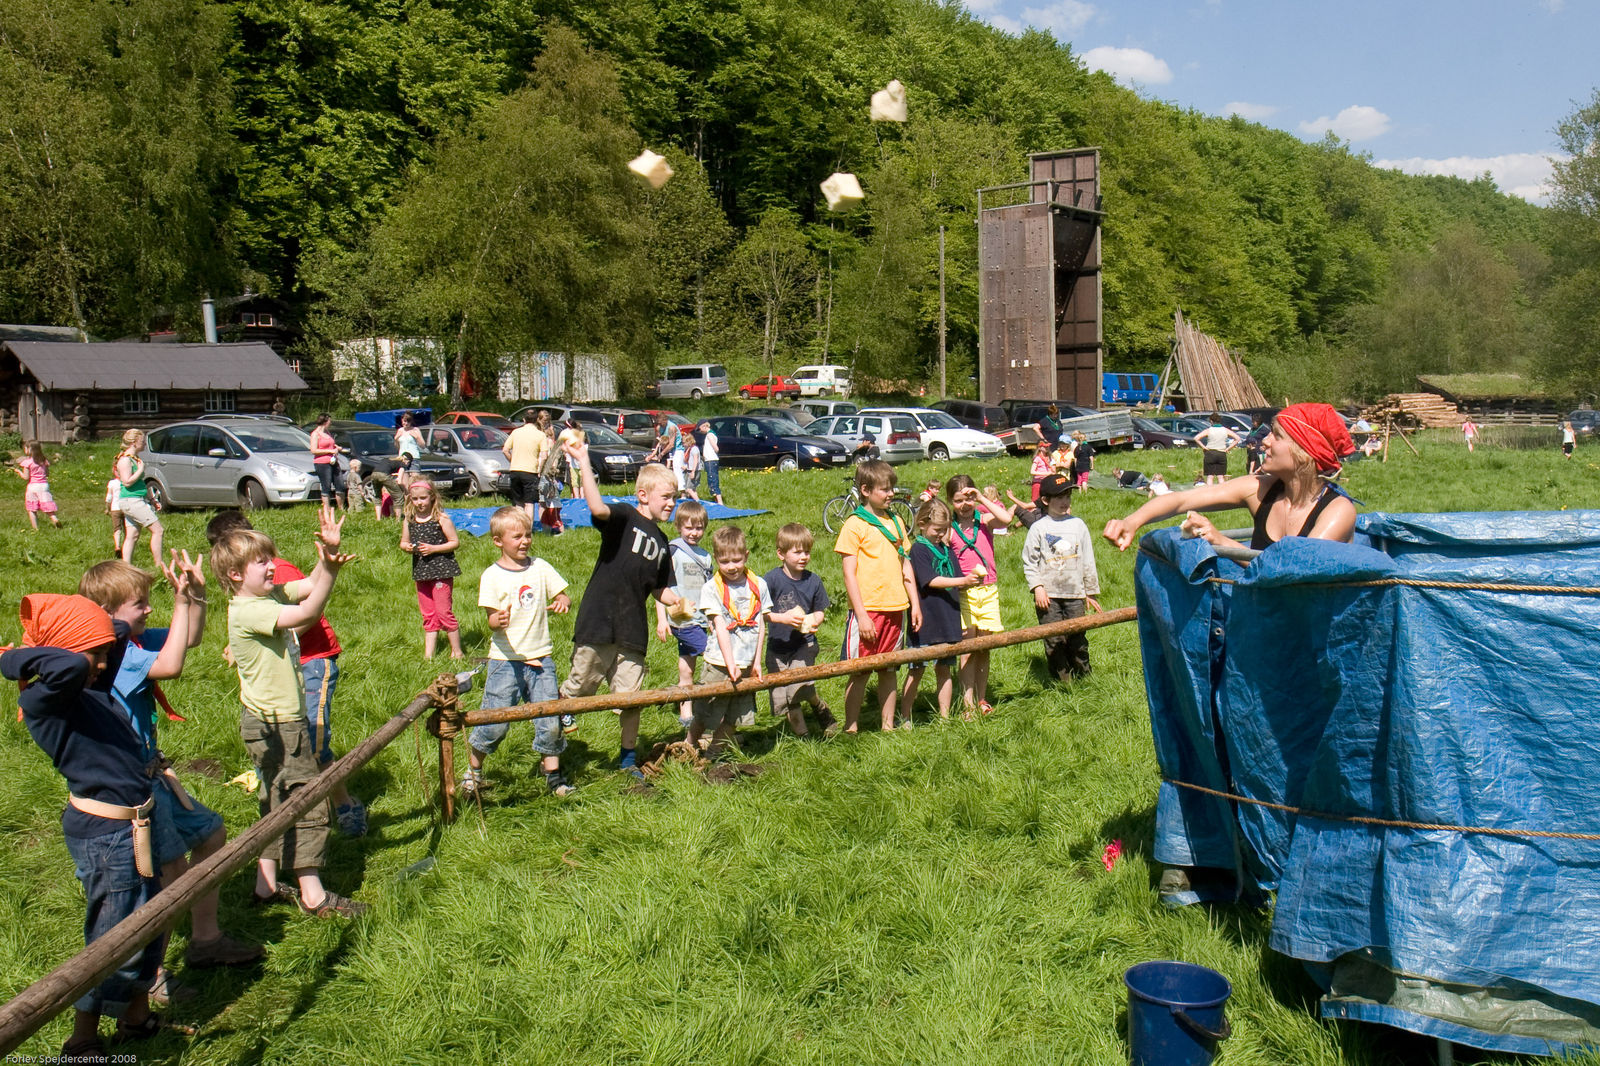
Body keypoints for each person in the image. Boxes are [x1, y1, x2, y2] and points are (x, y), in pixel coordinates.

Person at [78, 559, 263, 1006]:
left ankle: (205, 940)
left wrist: (195, 596)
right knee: (167, 876)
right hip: (131, 786)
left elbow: (190, 638)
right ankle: (152, 974)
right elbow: (172, 665)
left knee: (210, 833)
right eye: (139, 603)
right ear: (107, 612)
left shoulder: (136, 640)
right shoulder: (113, 655)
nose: (148, 609)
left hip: (152, 773)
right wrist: (180, 603)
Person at [2, 595, 166, 1057]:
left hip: (133, 827)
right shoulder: (49, 701)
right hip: (108, 836)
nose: (102, 664)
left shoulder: (87, 687)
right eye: (94, 656)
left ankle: (135, 1019)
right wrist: (10, 658)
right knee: (113, 938)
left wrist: (96, 639)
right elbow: (72, 664)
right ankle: (82, 1040)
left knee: (148, 924)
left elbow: (115, 632)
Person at [212, 505, 366, 918]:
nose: (271, 566)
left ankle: (265, 884)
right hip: (279, 725)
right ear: (235, 575)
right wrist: (331, 572)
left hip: (266, 722)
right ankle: (313, 895)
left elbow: (308, 585)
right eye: (261, 562)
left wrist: (327, 558)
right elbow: (309, 612)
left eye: (269, 558)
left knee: (275, 797)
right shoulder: (252, 610)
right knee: (305, 800)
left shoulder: (265, 596)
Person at [557, 442, 681, 778]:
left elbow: (659, 588)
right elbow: (597, 508)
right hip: (599, 620)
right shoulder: (625, 517)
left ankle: (627, 760)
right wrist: (583, 461)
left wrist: (680, 603)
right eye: (666, 497)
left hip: (633, 629)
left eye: (674, 497)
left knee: (631, 699)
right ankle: (557, 721)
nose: (671, 503)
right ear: (643, 495)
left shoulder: (663, 543)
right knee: (582, 687)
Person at [1104, 402, 1358, 555]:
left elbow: (1293, 573)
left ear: (1305, 452)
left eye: (1277, 436)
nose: (1265, 441)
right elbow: (1180, 500)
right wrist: (1132, 521)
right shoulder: (1260, 489)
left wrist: (1220, 540)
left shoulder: (1338, 511)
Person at [460, 507, 574, 799]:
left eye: (528, 535)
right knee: (494, 722)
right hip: (505, 661)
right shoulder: (492, 576)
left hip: (541, 658)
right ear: (498, 541)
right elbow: (490, 620)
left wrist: (563, 600)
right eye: (517, 537)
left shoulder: (540, 567)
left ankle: (553, 776)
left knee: (550, 720)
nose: (525, 541)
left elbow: (563, 594)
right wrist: (497, 620)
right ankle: (473, 771)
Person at [834, 459, 920, 733]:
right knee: (859, 670)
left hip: (896, 608)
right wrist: (861, 615)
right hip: (868, 610)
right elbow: (849, 573)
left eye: (892, 488)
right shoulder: (854, 525)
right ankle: (851, 727)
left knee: (889, 669)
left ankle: (887, 725)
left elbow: (905, 563)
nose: (891, 493)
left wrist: (914, 604)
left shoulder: (896, 521)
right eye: (885, 489)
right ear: (865, 490)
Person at [690, 525, 770, 757]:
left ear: (746, 555)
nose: (732, 566)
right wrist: (730, 663)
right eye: (724, 562)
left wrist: (756, 661)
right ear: (716, 559)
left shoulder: (759, 585)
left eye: (737, 560)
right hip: (719, 661)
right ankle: (688, 746)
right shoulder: (711, 588)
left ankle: (713, 753)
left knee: (736, 715)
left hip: (746, 661)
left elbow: (761, 624)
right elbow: (720, 627)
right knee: (706, 711)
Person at [901, 499, 979, 721]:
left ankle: (944, 717)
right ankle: (905, 716)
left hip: (948, 617)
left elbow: (955, 578)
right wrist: (963, 581)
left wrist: (969, 581)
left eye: (944, 529)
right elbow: (931, 580)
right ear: (922, 524)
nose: (941, 534)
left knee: (944, 669)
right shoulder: (918, 550)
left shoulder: (946, 550)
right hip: (926, 620)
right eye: (937, 529)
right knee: (916, 669)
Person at [947, 474, 1016, 717]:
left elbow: (1006, 518)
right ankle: (967, 705)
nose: (964, 505)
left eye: (968, 499)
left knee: (984, 648)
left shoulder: (984, 520)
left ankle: (981, 698)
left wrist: (981, 499)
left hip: (988, 590)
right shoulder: (949, 529)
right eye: (958, 501)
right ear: (950, 501)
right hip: (963, 592)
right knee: (967, 649)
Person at [1023, 475, 1102, 681]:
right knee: (1053, 640)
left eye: (1067, 496)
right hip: (1048, 596)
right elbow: (1030, 561)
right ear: (1045, 500)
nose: (1065, 501)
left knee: (1077, 639)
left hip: (1075, 593)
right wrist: (1037, 587)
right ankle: (1062, 682)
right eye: (1059, 497)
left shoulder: (1078, 525)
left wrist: (1090, 591)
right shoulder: (1039, 528)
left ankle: (1084, 678)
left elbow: (1088, 560)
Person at [762, 523, 833, 737]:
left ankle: (819, 706)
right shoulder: (771, 580)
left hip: (804, 644)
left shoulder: (813, 581)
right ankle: (804, 737)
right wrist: (783, 618)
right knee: (783, 695)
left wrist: (815, 621)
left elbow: (820, 610)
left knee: (798, 687)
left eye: (807, 552)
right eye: (797, 552)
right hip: (777, 645)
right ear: (781, 554)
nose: (803, 557)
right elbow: (761, 613)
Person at [655, 500, 714, 731]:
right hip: (682, 619)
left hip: (701, 619)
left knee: (687, 667)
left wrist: (712, 617)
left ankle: (686, 713)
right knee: (712, 655)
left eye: (699, 528)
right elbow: (660, 587)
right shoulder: (672, 552)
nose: (694, 533)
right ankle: (711, 707)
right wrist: (662, 619)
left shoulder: (705, 556)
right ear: (678, 526)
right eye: (689, 527)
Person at [400, 479, 464, 660]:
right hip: (422, 572)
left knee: (444, 612)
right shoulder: (409, 520)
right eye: (415, 499)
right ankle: (428, 656)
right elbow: (403, 542)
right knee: (428, 614)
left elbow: (454, 542)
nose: (419, 502)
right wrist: (408, 547)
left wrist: (434, 548)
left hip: (441, 571)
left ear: (432, 497)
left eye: (423, 498)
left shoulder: (441, 519)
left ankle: (457, 652)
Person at [116, 429, 164, 565]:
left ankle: (126, 567)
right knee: (158, 530)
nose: (144, 444)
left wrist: (152, 499)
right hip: (131, 501)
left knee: (133, 535)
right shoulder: (125, 460)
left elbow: (140, 483)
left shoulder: (135, 459)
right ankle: (159, 565)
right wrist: (141, 470)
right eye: (142, 441)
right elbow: (127, 481)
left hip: (135, 500)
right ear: (133, 443)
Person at [503, 409, 550, 522]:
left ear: (524, 420)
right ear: (536, 420)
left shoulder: (516, 432)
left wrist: (512, 461)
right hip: (530, 471)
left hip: (515, 470)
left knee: (518, 503)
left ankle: (520, 526)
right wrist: (539, 469)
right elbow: (544, 455)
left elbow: (505, 450)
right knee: (529, 503)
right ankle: (528, 528)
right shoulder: (540, 435)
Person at [13, 440, 62, 530]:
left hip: (33, 486)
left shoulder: (27, 462)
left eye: (26, 448)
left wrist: (19, 472)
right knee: (47, 504)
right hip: (44, 486)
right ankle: (54, 519)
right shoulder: (44, 461)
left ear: (29, 449)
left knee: (32, 508)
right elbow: (47, 474)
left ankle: (35, 529)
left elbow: (26, 477)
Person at [1192, 417, 1242, 485]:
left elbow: (1196, 438)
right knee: (1220, 477)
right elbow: (1237, 438)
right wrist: (1228, 448)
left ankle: (1210, 490)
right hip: (1221, 453)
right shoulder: (1225, 430)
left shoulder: (1209, 430)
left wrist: (1204, 447)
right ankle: (1221, 490)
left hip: (1210, 453)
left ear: (1211, 421)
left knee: (1210, 476)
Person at [309, 414, 342, 511]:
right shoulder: (315, 434)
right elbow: (313, 450)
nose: (330, 423)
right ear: (325, 422)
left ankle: (341, 508)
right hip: (322, 463)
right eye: (329, 421)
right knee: (326, 486)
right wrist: (330, 451)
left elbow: (331, 444)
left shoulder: (327, 432)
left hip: (333, 461)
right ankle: (327, 509)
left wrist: (337, 447)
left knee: (340, 484)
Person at [394, 412, 425, 489]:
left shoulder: (415, 430)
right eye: (404, 421)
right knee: (404, 483)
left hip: (414, 457)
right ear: (402, 420)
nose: (406, 423)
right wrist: (396, 439)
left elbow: (423, 445)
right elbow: (397, 446)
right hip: (403, 458)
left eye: (408, 421)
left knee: (415, 480)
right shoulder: (400, 430)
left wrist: (417, 437)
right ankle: (406, 496)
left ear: (411, 421)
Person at [699, 420, 724, 505]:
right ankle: (716, 500)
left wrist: (712, 452)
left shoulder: (709, 435)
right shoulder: (711, 434)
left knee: (713, 480)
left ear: (704, 426)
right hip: (710, 460)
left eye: (700, 429)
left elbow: (716, 448)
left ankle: (720, 502)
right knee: (712, 480)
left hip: (711, 460)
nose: (700, 431)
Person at [105, 471, 125, 555]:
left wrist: (107, 509)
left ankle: (117, 545)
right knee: (127, 528)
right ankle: (127, 545)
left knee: (117, 528)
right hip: (126, 508)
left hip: (115, 508)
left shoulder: (112, 483)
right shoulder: (127, 482)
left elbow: (109, 497)